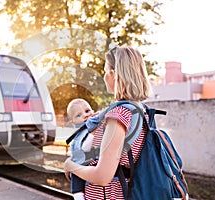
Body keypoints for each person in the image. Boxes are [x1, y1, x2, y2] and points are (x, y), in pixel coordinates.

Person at [64, 46, 151, 199]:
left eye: (105, 71)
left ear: (114, 74)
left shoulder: (119, 115)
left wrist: (70, 166)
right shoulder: (140, 110)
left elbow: (103, 176)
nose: (104, 77)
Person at [66, 98, 97, 200]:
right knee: (76, 170)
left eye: (87, 111)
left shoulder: (96, 122)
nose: (85, 115)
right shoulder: (79, 132)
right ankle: (78, 194)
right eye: (79, 115)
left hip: (94, 162)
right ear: (72, 121)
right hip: (81, 161)